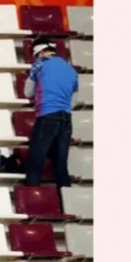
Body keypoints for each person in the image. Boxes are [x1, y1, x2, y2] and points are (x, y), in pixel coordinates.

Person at [23, 37, 79, 188]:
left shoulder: (39, 64)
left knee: (36, 162)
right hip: (66, 119)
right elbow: (72, 102)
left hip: (47, 115)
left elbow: (28, 92)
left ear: (40, 51)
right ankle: (68, 205)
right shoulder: (71, 70)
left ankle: (33, 200)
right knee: (61, 166)